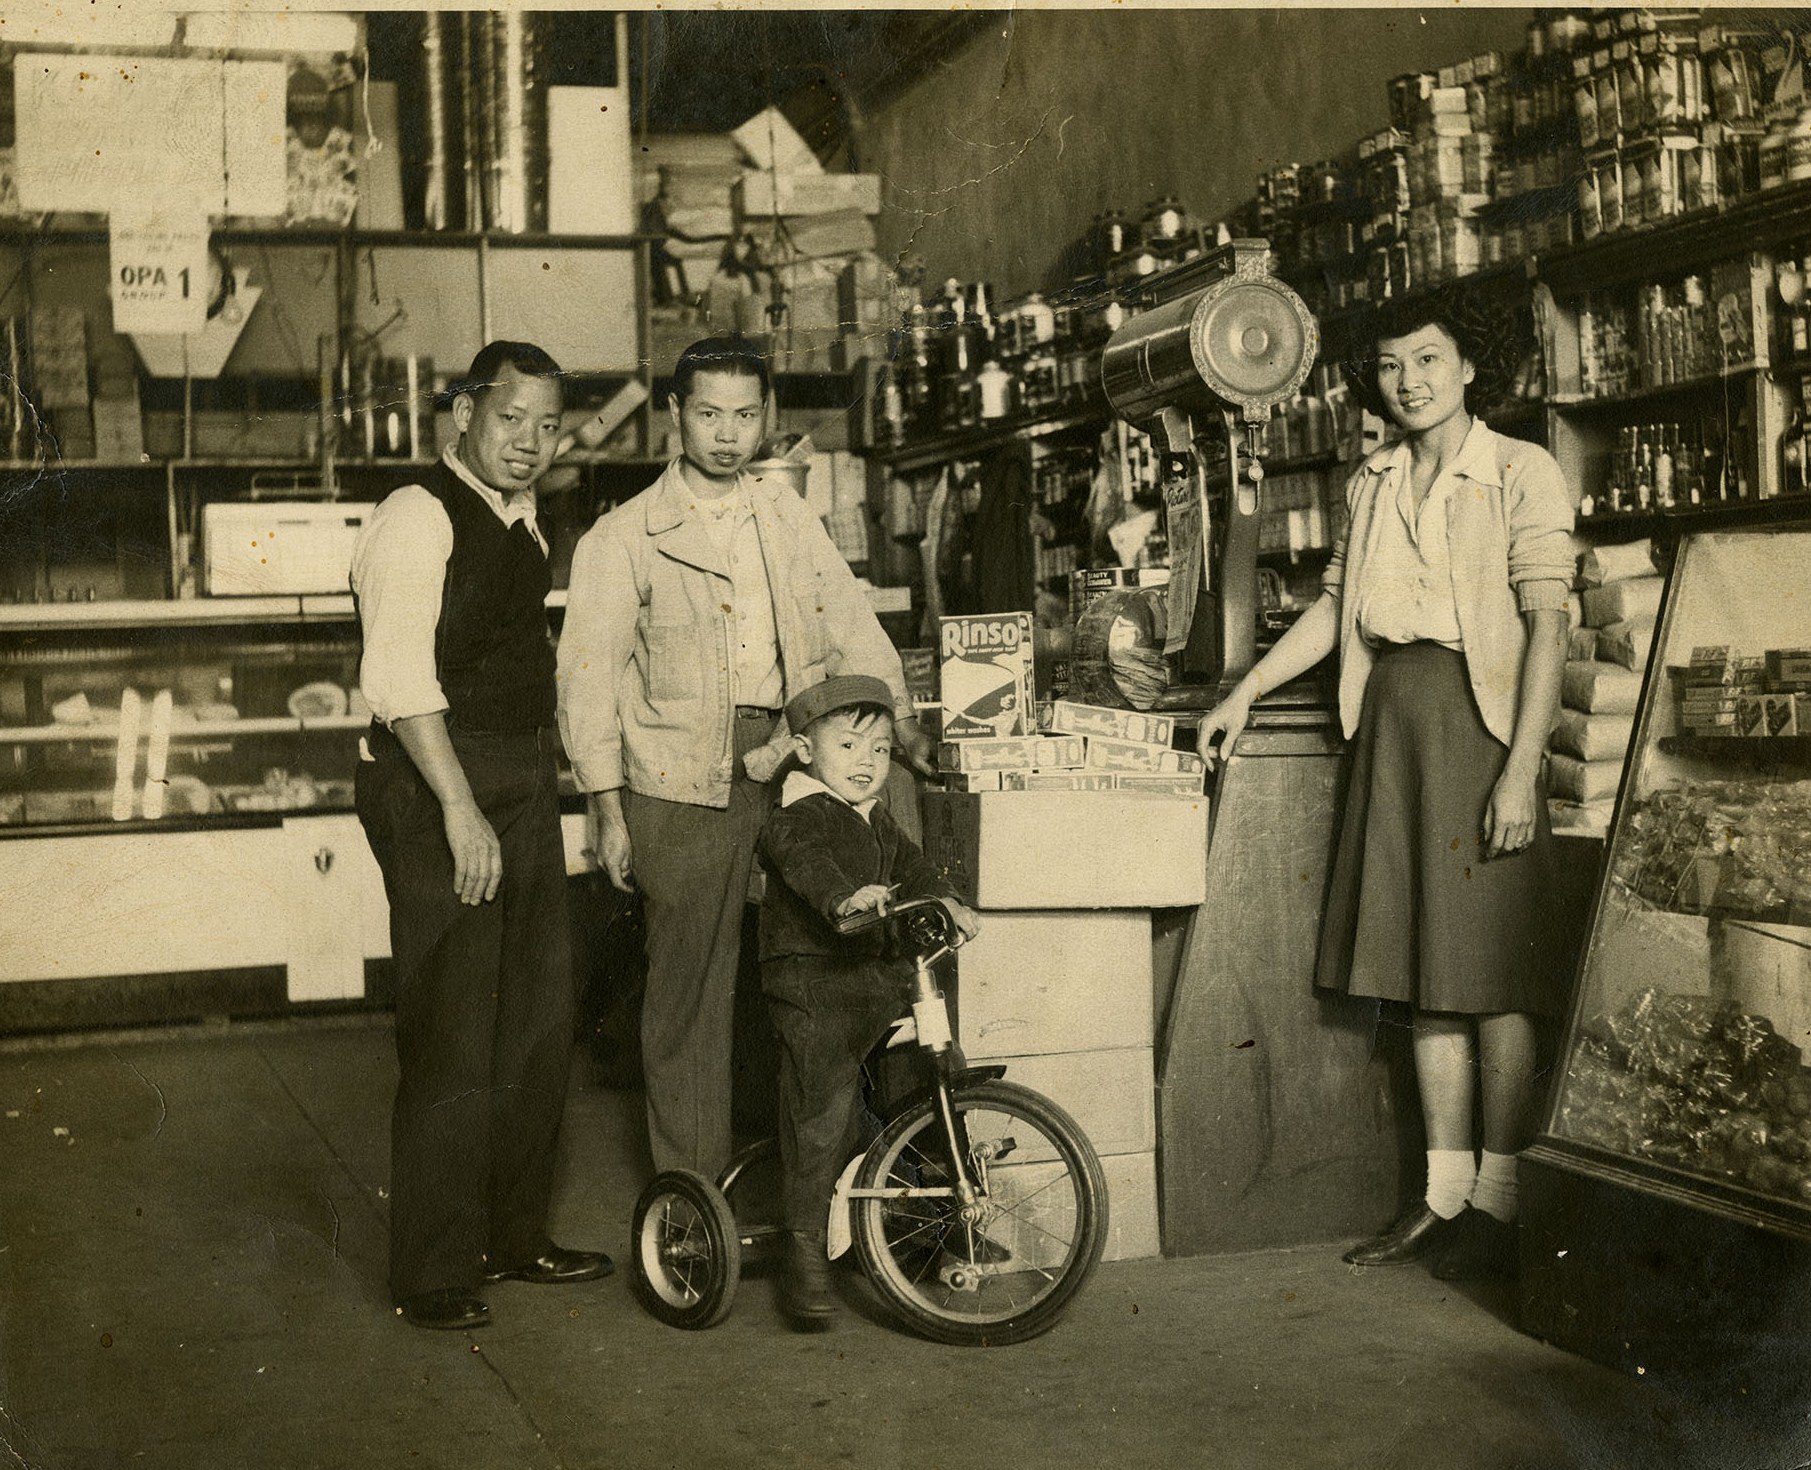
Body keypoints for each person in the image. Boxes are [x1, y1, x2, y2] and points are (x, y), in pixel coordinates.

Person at [1196, 289, 1574, 1282]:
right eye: (1392, 366)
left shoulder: (1518, 471)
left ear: (1469, 369)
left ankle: (1498, 1202)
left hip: (1480, 727)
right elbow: (1333, 609)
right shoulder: (1369, 481)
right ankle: (1440, 1199)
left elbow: (1548, 630)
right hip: (1392, 730)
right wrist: (1246, 691)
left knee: (1492, 983)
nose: (1407, 383)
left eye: (1427, 362)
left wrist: (1520, 771)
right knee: (1423, 983)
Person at [556, 335, 936, 1182]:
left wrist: (899, 724)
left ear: (766, 416)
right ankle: (693, 1201)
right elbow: (587, 682)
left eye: (743, 414)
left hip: (797, 757)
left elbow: (850, 624)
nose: (727, 434)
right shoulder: (621, 539)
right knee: (690, 997)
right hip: (679, 780)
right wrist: (607, 810)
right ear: (673, 417)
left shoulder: (786, 514)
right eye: (707, 413)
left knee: (818, 972)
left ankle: (828, 1193)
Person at [351, 340, 611, 1331]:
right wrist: (461, 809)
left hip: (516, 780)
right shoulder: (416, 516)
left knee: (538, 1020)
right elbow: (399, 681)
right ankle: (433, 1272)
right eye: (511, 421)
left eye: (548, 427)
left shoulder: (525, 522)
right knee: (455, 1026)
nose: (530, 445)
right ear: (462, 413)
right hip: (435, 786)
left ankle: (514, 1238)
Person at [753, 674, 980, 1325]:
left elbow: (913, 862)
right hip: (810, 982)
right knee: (821, 1107)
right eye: (848, 745)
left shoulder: (875, 817)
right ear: (803, 749)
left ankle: (942, 1223)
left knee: (930, 1076)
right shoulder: (795, 816)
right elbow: (803, 861)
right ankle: (804, 1255)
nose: (866, 763)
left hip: (874, 976)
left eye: (879, 750)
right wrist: (845, 897)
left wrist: (944, 896)